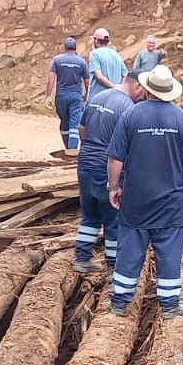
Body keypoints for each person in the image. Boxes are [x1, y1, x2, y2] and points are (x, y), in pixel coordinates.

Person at [105, 64, 183, 321]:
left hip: (136, 200)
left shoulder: (131, 116)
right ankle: (170, 306)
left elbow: (115, 158)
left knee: (129, 251)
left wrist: (114, 186)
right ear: (170, 92)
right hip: (170, 203)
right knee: (169, 254)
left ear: (148, 89)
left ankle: (119, 303)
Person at [73, 69, 145, 273]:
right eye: (143, 91)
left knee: (90, 214)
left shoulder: (98, 96)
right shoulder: (128, 108)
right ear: (137, 86)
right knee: (113, 219)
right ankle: (113, 269)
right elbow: (128, 145)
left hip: (85, 164)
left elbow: (81, 128)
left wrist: (88, 146)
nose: (144, 96)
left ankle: (82, 257)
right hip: (105, 168)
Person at [46, 36, 88, 152]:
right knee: (74, 123)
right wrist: (87, 95)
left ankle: (67, 147)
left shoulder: (57, 60)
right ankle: (72, 149)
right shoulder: (81, 62)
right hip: (75, 96)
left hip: (61, 97)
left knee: (64, 122)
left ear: (64, 48)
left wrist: (48, 96)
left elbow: (51, 78)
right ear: (75, 48)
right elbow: (87, 81)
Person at [87, 28, 127, 96]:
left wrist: (113, 87)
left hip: (98, 96)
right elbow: (125, 75)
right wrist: (119, 88)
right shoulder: (116, 55)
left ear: (96, 40)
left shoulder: (94, 54)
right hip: (114, 96)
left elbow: (99, 76)